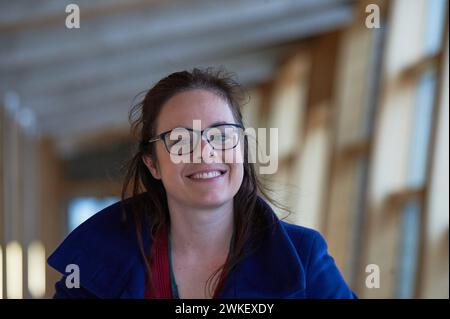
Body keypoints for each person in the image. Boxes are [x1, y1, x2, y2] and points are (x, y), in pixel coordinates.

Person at [47, 68, 357, 299]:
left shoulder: (303, 258)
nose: (205, 152)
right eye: (180, 140)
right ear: (152, 163)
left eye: (221, 135)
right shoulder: (95, 264)